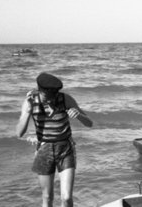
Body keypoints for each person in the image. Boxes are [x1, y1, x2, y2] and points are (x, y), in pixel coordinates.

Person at [16, 72, 93, 207]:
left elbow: (89, 123)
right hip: (44, 151)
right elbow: (19, 133)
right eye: (48, 96)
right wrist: (27, 112)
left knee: (67, 198)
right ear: (40, 90)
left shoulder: (65, 99)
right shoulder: (30, 101)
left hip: (65, 150)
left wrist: (78, 115)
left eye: (54, 95)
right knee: (47, 197)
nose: (51, 99)